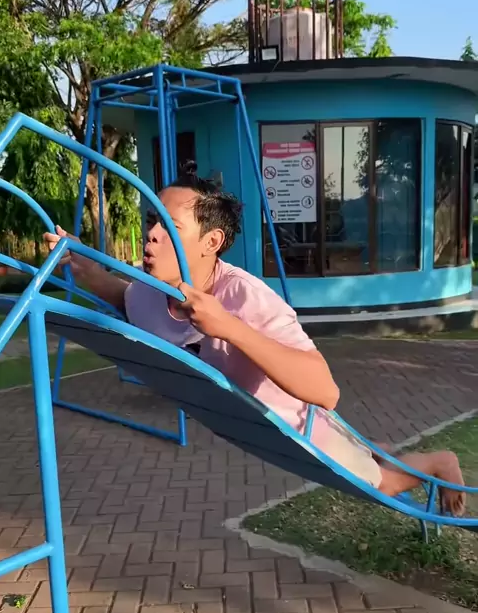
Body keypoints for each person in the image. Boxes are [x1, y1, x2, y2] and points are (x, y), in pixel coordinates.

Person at [43, 164, 465, 516]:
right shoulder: (148, 291)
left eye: (169, 227)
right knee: (365, 455)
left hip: (300, 426)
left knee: (380, 485)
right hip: (244, 425)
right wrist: (85, 266)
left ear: (211, 242)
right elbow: (124, 298)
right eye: (152, 221)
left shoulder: (247, 299)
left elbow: (325, 391)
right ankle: (373, 450)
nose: (152, 234)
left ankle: (438, 462)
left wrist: (229, 327)